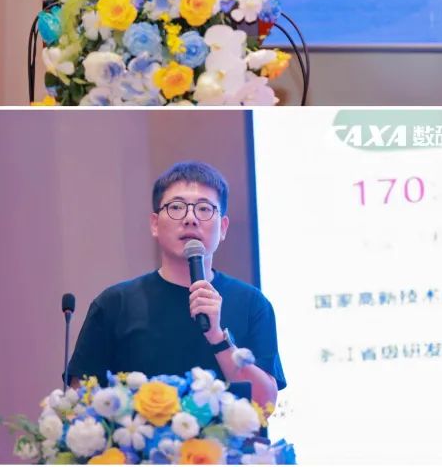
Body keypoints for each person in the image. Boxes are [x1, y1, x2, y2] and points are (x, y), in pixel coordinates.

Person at [66, 161, 285, 409]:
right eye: (177, 207)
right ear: (154, 224)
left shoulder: (252, 304)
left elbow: (265, 404)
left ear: (223, 227)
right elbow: (79, 404)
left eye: (204, 209)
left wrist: (217, 337)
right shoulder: (114, 304)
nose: (191, 219)